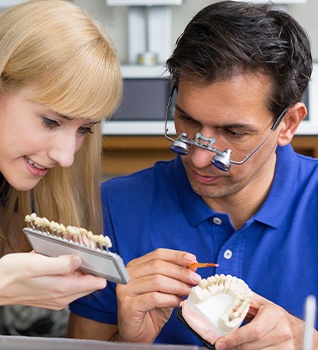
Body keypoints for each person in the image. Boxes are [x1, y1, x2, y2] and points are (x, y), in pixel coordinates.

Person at [67, 1, 318, 349]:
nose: (199, 158)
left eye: (233, 133)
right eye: (187, 121)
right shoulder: (114, 207)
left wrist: (301, 338)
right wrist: (130, 340)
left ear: (288, 124)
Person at [0, 0, 122, 319]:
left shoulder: (6, 167)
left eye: (84, 130)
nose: (65, 157)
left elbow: (16, 255)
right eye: (51, 122)